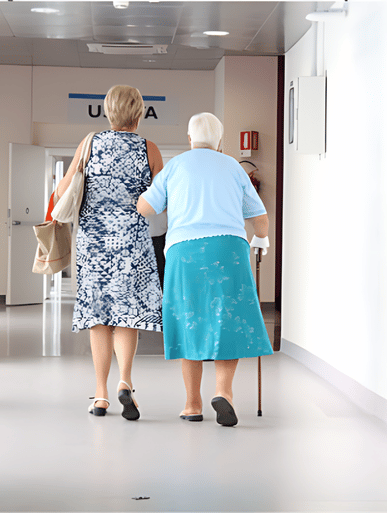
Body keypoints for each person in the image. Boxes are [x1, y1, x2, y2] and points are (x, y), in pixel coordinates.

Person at [137, 112, 273, 427]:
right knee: (228, 319)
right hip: (229, 249)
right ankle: (224, 392)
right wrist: (261, 239)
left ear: (189, 138)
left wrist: (151, 194)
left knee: (189, 321)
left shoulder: (175, 166)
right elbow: (260, 219)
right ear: (220, 140)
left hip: (184, 253)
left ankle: (192, 404)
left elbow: (146, 207)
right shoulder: (233, 168)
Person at [56, 85, 163, 419]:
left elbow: (62, 190)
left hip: (93, 243)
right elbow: (160, 201)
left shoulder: (90, 143)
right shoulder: (149, 149)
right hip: (132, 242)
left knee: (98, 318)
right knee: (127, 316)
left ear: (108, 111)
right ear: (139, 112)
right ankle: (125, 382)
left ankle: (101, 394)